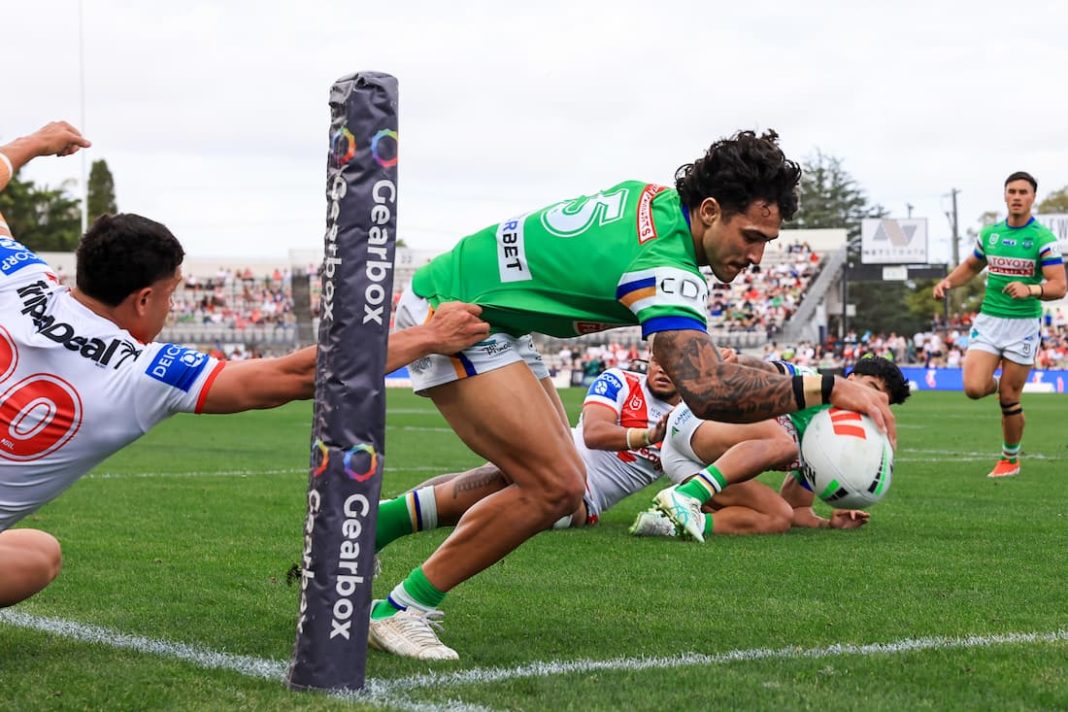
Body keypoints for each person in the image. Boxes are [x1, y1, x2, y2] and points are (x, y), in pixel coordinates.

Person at [370, 130, 896, 660]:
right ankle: (400, 608)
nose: (758, 256)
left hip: (494, 314)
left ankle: (372, 527)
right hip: (457, 313)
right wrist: (826, 386)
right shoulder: (667, 263)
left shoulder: (661, 206)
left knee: (543, 477)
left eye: (767, 242)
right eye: (752, 236)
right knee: (556, 487)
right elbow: (710, 391)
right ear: (710, 210)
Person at [0, 122, 490, 608]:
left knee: (35, 549)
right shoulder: (146, 371)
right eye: (171, 295)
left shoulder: (20, 277)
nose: (172, 309)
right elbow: (298, 376)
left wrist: (32, 145)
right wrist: (428, 336)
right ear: (144, 298)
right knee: (39, 560)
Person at [374, 358, 678, 577]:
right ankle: (381, 526)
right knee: (495, 476)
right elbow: (594, 434)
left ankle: (379, 521)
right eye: (657, 359)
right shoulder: (620, 380)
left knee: (496, 481)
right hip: (551, 456)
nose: (663, 368)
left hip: (582, 501)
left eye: (674, 364)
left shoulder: (687, 424)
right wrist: (648, 437)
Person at [647, 355, 911, 542]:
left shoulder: (838, 443)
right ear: (851, 378)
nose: (872, 401)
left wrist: (828, 523)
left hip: (690, 462)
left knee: (778, 517)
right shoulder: (817, 384)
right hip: (696, 420)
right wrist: (739, 359)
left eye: (882, 400)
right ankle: (687, 497)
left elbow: (797, 510)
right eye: (872, 388)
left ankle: (671, 521)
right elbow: (766, 369)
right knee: (784, 443)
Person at [933, 172, 1066, 478]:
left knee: (1009, 397)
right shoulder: (990, 234)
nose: (1017, 196)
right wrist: (948, 283)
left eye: (1023, 192)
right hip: (990, 320)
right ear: (1004, 196)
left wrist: (1030, 289)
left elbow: (1059, 286)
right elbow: (971, 266)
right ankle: (998, 385)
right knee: (973, 387)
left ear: (1033, 198)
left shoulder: (1043, 240)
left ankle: (1010, 459)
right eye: (1012, 191)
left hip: (1023, 325)